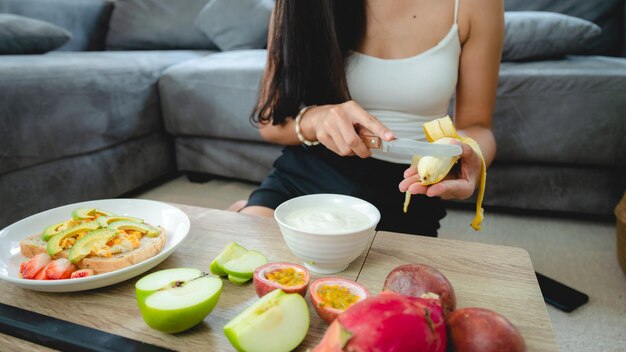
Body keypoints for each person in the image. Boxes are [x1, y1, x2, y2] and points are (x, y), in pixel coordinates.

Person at [230, 0, 502, 237]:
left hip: (407, 189)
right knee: (245, 266)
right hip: (307, 176)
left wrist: (473, 158)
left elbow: (477, 127)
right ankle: (250, 209)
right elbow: (270, 123)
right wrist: (317, 119)